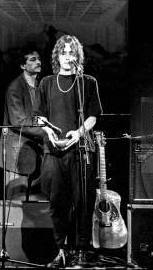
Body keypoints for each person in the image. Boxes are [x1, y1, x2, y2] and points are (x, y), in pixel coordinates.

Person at [33, 35, 102, 268]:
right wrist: (49, 132)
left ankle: (82, 250)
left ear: (77, 57)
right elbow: (40, 116)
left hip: (80, 150)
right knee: (57, 203)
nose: (67, 57)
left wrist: (79, 132)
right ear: (57, 56)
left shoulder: (88, 82)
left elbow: (93, 116)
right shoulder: (46, 83)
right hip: (54, 151)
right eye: (63, 53)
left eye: (72, 53)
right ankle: (61, 251)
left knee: (83, 201)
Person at [0, 49, 46, 200]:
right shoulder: (15, 88)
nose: (38, 62)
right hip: (16, 154)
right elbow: (18, 122)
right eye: (32, 59)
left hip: (35, 153)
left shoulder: (40, 86)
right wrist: (47, 132)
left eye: (38, 59)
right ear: (23, 66)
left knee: (34, 209)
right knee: (15, 205)